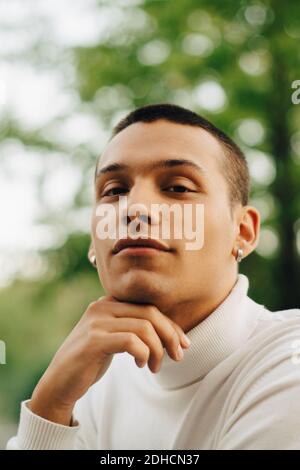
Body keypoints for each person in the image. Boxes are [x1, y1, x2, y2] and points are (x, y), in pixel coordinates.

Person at [7, 103, 300, 450]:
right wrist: (50, 406)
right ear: (93, 243)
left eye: (177, 187)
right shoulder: (93, 381)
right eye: (114, 190)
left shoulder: (289, 367)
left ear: (244, 232)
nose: (135, 208)